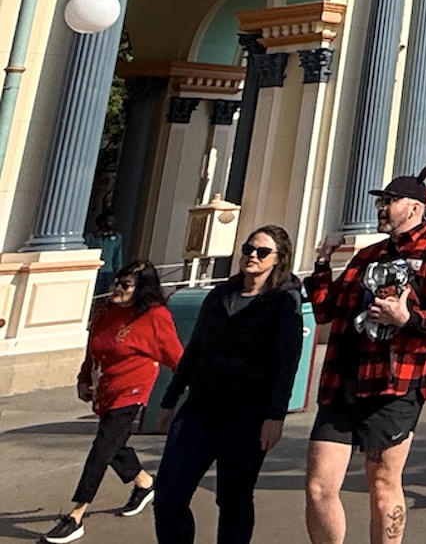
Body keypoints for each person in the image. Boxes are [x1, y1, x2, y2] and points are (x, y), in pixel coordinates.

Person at [304, 176, 426, 544]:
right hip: (342, 382)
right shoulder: (368, 256)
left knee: (382, 484)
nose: (381, 208)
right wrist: (323, 262)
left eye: (389, 201)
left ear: (414, 208)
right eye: (381, 201)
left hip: (394, 385)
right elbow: (325, 311)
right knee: (318, 486)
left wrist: (408, 319)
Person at [153, 227, 303, 544]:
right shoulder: (220, 295)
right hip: (199, 411)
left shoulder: (283, 303)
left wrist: (275, 416)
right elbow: (195, 350)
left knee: (233, 500)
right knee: (168, 495)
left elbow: (287, 362)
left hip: (248, 418)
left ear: (279, 260)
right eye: (249, 248)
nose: (252, 255)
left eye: (262, 251)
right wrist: (169, 401)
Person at [43, 261, 183, 544]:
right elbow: (93, 347)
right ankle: (145, 483)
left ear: (141, 289)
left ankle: (76, 515)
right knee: (114, 444)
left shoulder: (155, 316)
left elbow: (177, 358)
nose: (117, 288)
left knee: (102, 448)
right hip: (106, 389)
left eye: (126, 284)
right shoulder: (105, 311)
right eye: (117, 281)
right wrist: (83, 378)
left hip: (133, 390)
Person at [87, 212, 124, 297]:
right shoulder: (92, 237)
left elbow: (118, 255)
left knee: (106, 294)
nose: (112, 223)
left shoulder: (117, 237)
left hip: (109, 271)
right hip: (95, 270)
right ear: (102, 222)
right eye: (110, 221)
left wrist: (118, 270)